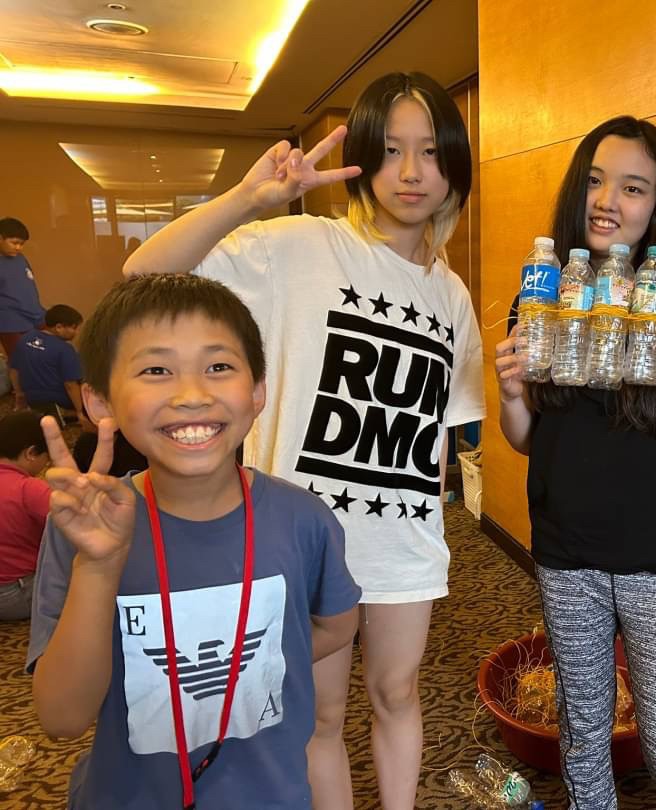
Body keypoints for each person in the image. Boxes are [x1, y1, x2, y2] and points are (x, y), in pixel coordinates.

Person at [123, 71, 485, 809]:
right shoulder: (296, 246)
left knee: (398, 693)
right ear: (363, 159)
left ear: (453, 164)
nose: (411, 172)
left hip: (403, 542)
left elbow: (440, 433)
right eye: (390, 150)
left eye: (429, 152)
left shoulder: (451, 292)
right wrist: (245, 200)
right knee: (320, 715)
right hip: (304, 539)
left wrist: (431, 526)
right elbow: (143, 271)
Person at [27, 273, 361, 809]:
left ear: (258, 390)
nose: (192, 395)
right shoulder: (87, 527)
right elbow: (63, 719)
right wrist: (99, 565)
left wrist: (242, 666)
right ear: (99, 400)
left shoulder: (304, 519)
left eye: (219, 366)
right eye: (156, 370)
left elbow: (337, 624)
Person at [494, 116, 656, 809]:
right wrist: (509, 393)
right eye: (596, 181)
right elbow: (525, 437)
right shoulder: (544, 291)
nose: (608, 201)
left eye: (633, 188)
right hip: (566, 544)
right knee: (582, 731)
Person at [0, 411, 50, 620]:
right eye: (46, 458)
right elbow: (74, 529)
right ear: (31, 453)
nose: (46, 465)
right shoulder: (29, 489)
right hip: (17, 594)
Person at [10, 304, 91, 429]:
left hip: (31, 397)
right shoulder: (65, 349)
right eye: (74, 328)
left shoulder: (24, 339)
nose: (76, 332)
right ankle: (66, 414)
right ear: (58, 327)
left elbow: (14, 370)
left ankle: (48, 413)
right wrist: (80, 411)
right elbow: (70, 385)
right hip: (58, 399)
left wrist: (19, 394)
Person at [0, 217, 45, 406]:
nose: (18, 247)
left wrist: (39, 314)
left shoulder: (20, 259)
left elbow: (29, 288)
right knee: (19, 360)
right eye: (14, 242)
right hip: (9, 321)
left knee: (36, 356)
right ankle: (21, 397)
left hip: (32, 316)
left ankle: (36, 395)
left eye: (21, 244)